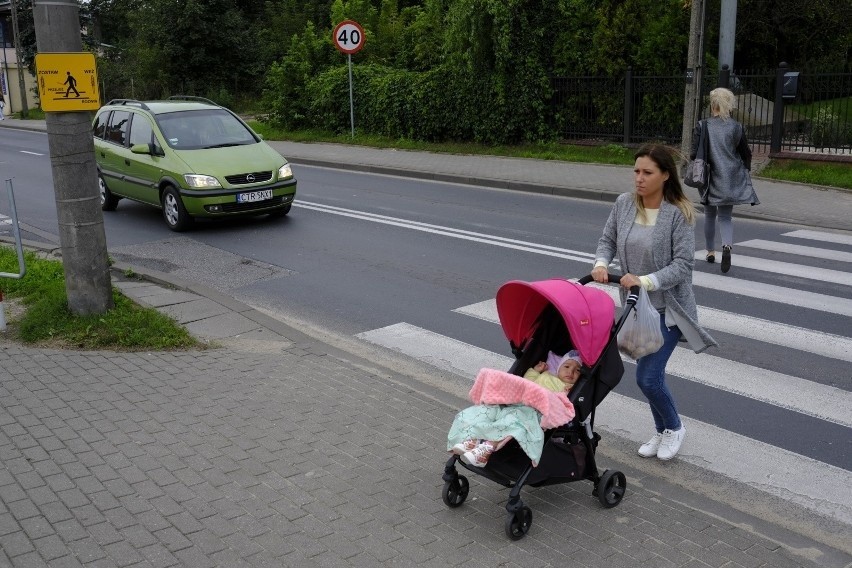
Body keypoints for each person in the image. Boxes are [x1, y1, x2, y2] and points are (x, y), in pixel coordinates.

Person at [591, 144, 716, 461]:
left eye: (647, 172)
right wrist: (602, 264)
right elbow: (607, 240)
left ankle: (674, 427)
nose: (639, 178)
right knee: (651, 376)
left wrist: (645, 280)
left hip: (669, 309)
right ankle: (662, 431)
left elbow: (683, 265)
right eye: (636, 171)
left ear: (664, 176)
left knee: (647, 376)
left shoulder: (679, 215)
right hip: (637, 307)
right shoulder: (623, 204)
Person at [447, 351, 583, 468]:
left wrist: (566, 393)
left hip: (534, 411)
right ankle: (472, 439)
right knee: (488, 412)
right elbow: (526, 382)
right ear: (558, 368)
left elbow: (560, 405)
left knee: (511, 422)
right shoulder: (546, 375)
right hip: (518, 402)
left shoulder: (567, 388)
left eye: (577, 370)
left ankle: (488, 446)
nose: (571, 372)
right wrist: (535, 370)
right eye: (566, 366)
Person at [692, 87, 759, 273]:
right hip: (730, 177)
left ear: (712, 105)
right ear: (729, 105)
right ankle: (727, 246)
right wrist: (743, 170)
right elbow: (746, 153)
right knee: (725, 217)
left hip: (709, 177)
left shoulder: (702, 125)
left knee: (709, 215)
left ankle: (710, 251)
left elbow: (693, 153)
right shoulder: (736, 127)